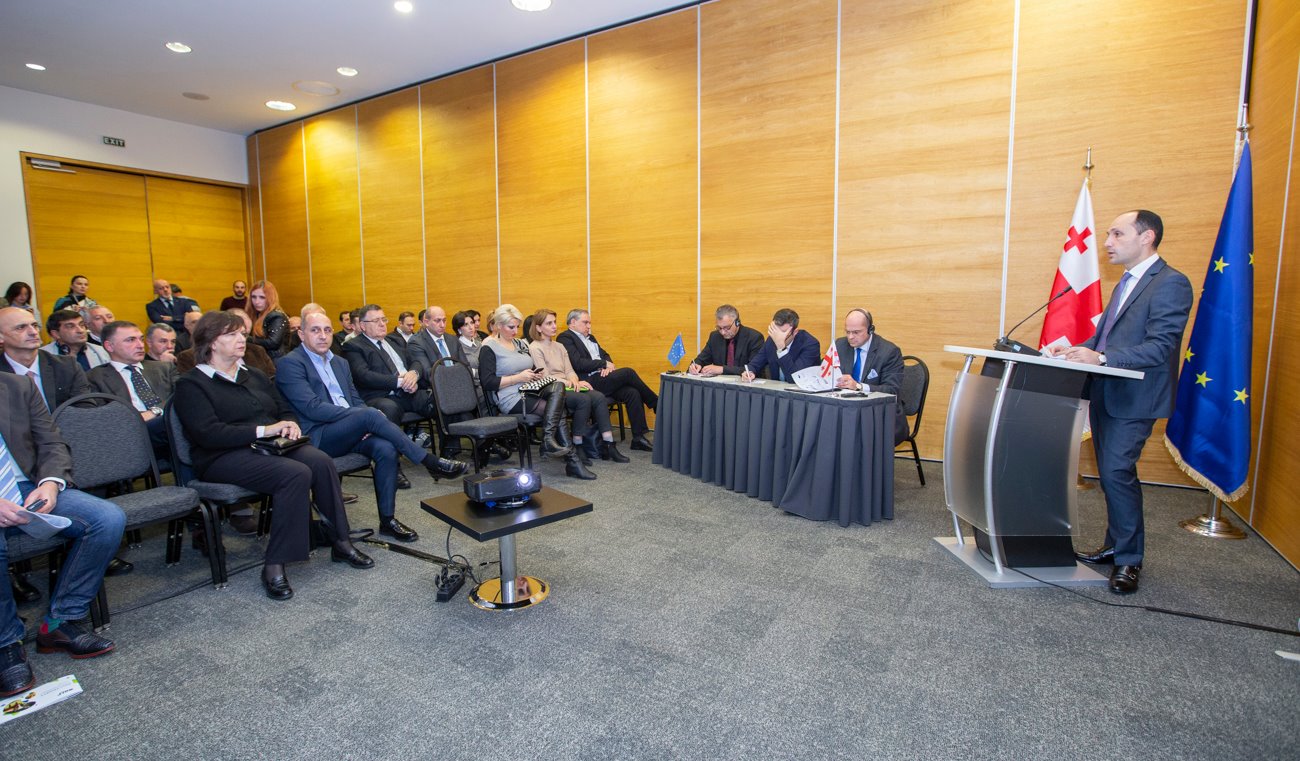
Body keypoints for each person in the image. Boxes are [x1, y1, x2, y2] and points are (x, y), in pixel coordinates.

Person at [171, 311, 375, 601]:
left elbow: (283, 408)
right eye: (232, 334)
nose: (241, 339)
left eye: (242, 333)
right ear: (212, 342)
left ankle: (340, 541)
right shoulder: (191, 384)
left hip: (268, 446)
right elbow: (208, 434)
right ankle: (274, 564)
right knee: (294, 473)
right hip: (221, 456)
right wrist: (264, 430)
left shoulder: (252, 374)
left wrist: (289, 423)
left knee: (319, 461)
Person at [1045, 210, 1193, 595]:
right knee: (1112, 473)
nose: (1107, 242)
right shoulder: (1126, 282)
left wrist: (1102, 357)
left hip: (1137, 397)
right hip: (1107, 392)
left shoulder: (1171, 283)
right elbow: (1105, 338)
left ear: (1147, 237)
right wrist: (1075, 349)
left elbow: (1160, 346)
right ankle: (1115, 546)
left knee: (1116, 471)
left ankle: (1129, 559)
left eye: (1117, 234)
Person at [276, 312, 468, 541]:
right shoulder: (290, 363)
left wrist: (362, 419)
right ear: (301, 334)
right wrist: (362, 417)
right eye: (315, 330)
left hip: (350, 428)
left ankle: (388, 520)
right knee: (369, 413)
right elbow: (312, 408)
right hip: (318, 434)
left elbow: (355, 399)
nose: (323, 336)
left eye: (327, 330)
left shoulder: (339, 363)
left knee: (385, 448)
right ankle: (430, 461)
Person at [0, 371, 126, 698]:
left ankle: (59, 623)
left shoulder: (17, 385)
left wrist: (50, 483)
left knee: (107, 518)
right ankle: (5, 641)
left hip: (29, 485)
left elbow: (51, 442)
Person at [479, 304, 593, 479]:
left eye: (517, 326)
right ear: (499, 325)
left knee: (558, 386)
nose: (516, 331)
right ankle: (571, 460)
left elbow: (529, 367)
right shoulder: (489, 347)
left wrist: (534, 374)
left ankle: (550, 441)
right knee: (558, 410)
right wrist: (518, 378)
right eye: (511, 327)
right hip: (510, 397)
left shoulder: (518, 343)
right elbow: (488, 383)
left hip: (529, 389)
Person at [529, 309, 628, 465]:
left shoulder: (559, 346)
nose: (554, 326)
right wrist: (571, 383)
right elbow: (546, 376)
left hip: (568, 384)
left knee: (598, 397)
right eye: (549, 323)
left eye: (554, 322)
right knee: (583, 400)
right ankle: (578, 444)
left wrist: (575, 381)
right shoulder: (535, 347)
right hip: (553, 389)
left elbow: (569, 370)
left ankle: (609, 444)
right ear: (538, 328)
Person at [558, 309, 658, 452]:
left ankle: (638, 438)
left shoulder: (591, 337)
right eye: (585, 322)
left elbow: (605, 354)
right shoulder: (565, 338)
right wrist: (603, 364)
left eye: (589, 323)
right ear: (573, 322)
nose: (589, 326)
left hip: (602, 378)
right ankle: (655, 403)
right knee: (628, 372)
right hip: (588, 381)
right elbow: (578, 363)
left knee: (632, 392)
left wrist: (608, 366)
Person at [87, 320, 178, 461]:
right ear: (109, 346)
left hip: (166, 423)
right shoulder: (95, 377)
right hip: (131, 432)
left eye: (141, 339)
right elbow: (102, 416)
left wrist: (155, 411)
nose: (140, 345)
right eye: (130, 340)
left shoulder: (164, 368)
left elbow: (182, 395)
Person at [833, 309, 908, 444]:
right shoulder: (840, 345)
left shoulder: (889, 352)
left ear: (870, 330)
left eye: (856, 332)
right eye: (847, 332)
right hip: (847, 409)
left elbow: (891, 390)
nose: (850, 337)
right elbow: (826, 372)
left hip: (878, 413)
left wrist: (859, 386)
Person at [740, 308, 821, 384]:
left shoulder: (810, 345)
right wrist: (749, 372)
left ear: (795, 332)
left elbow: (795, 379)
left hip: (803, 391)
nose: (778, 337)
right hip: (778, 390)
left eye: (783, 333)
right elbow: (755, 364)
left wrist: (781, 349)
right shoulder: (772, 339)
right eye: (775, 331)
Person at [689, 304, 764, 377]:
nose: (723, 332)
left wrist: (722, 369)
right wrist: (696, 366)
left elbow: (754, 369)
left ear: (737, 322)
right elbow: (702, 359)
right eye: (719, 328)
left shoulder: (754, 338)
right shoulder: (715, 337)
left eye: (727, 328)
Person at [41, 309, 110, 371]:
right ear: (56, 334)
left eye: (82, 325)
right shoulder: (42, 356)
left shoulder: (102, 352)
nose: (80, 330)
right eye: (71, 327)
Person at [246, 280, 290, 359]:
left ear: (271, 298)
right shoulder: (255, 314)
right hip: (262, 359)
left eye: (262, 297)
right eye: (253, 297)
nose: (257, 302)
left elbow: (273, 343)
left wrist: (246, 338)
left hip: (276, 361)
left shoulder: (277, 316)